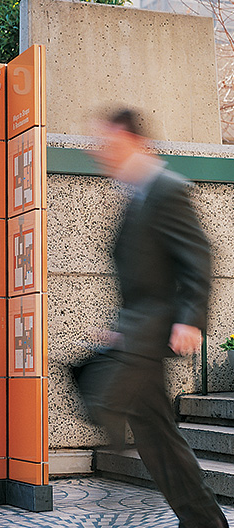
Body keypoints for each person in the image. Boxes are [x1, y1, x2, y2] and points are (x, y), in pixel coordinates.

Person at [74, 109, 229, 528]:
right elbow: (139, 278)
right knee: (158, 437)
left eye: (109, 143)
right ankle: (203, 521)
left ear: (132, 142)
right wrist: (118, 326)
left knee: (150, 431)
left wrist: (191, 318)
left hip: (152, 332)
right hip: (137, 332)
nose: (101, 152)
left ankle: (203, 521)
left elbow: (197, 255)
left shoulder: (166, 188)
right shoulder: (134, 192)